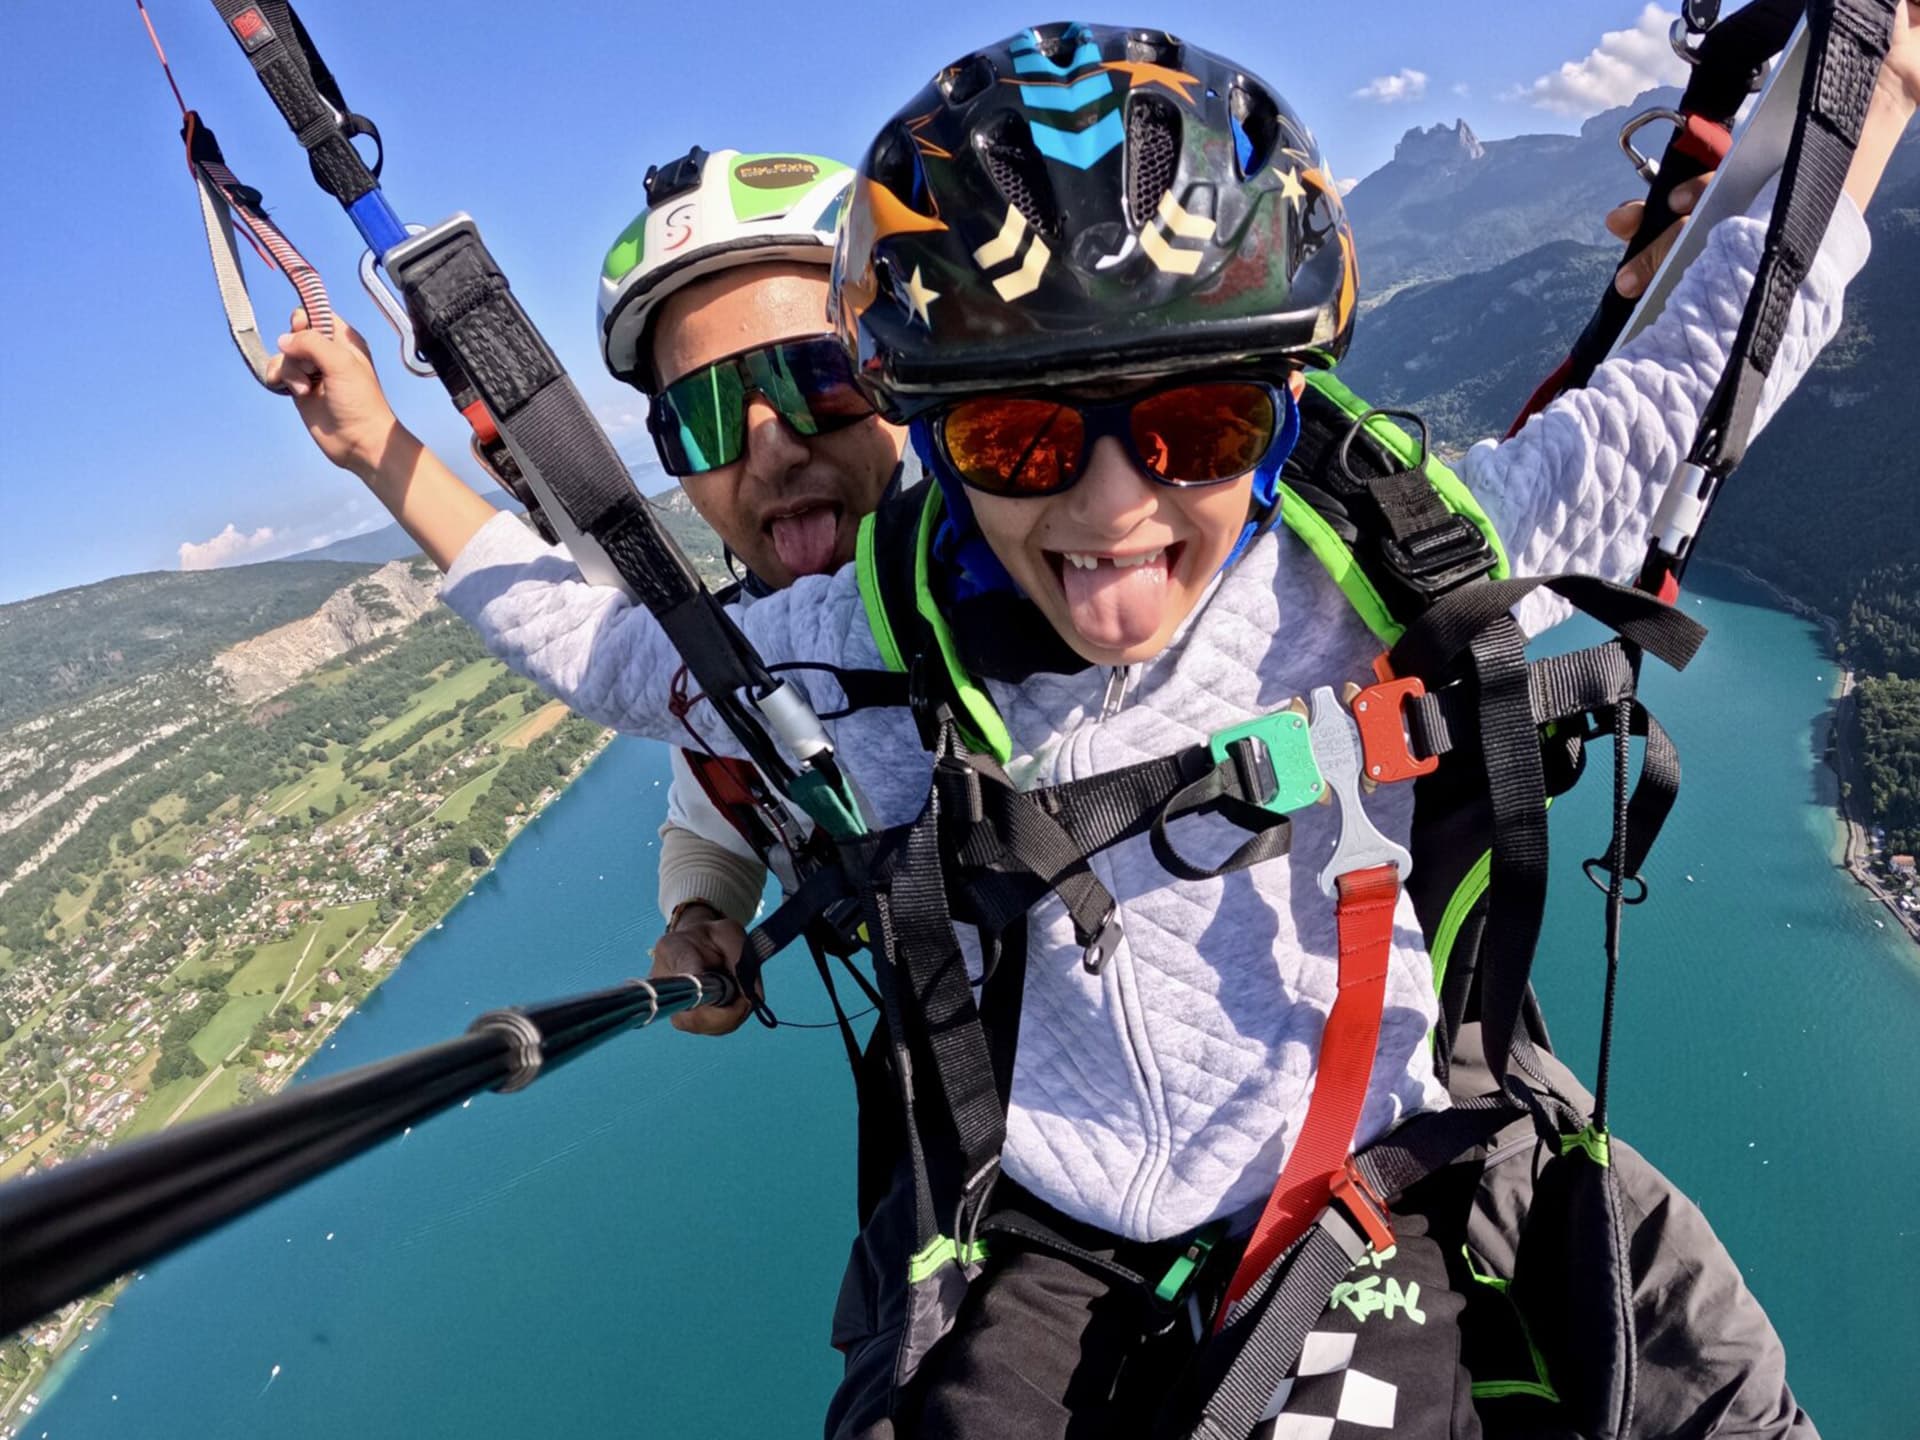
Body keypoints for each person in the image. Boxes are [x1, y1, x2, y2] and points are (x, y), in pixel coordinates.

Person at [267, 14, 1919, 1437]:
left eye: (1198, 421)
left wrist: (1875, 79)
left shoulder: (1356, 571)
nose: (1120, 509)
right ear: (938, 437)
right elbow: (613, 653)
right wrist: (387, 462)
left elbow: (1676, 404)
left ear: (1278, 428)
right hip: (1049, 1225)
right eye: (1020, 440)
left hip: (1355, 1178)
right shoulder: (875, 636)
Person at [591, 146, 912, 1034]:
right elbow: (711, 822)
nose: (774, 448)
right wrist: (697, 920)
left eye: (820, 375)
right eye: (708, 416)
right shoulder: (743, 671)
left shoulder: (1060, 546)